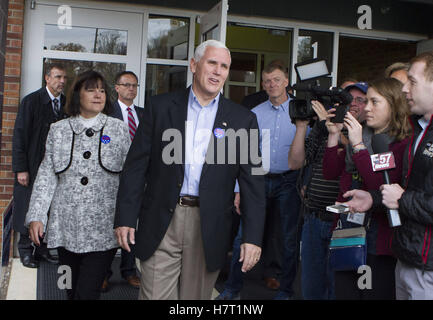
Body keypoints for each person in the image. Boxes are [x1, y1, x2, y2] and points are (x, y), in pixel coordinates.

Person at [114, 40, 266, 300]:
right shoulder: (160, 107)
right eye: (212, 63)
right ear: (194, 65)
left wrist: (253, 237)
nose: (218, 71)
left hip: (209, 224)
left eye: (224, 67)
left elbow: (254, 183)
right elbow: (136, 166)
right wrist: (126, 217)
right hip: (162, 219)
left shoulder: (243, 119)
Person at [25, 70, 131, 300]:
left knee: (87, 292)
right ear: (77, 95)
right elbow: (46, 175)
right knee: (69, 288)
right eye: (91, 89)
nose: (98, 95)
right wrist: (37, 215)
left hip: (102, 230)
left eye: (102, 90)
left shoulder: (119, 130)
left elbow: (131, 177)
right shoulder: (59, 130)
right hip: (65, 228)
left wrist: (129, 219)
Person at [340, 52, 433, 300]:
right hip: (407, 254)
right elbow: (393, 189)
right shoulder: (419, 130)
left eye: (412, 81)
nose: (404, 88)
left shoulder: (406, 136)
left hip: (425, 263)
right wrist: (374, 198)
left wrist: (400, 199)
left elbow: (399, 192)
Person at [217, 62, 304, 300]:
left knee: (287, 239)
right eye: (267, 80)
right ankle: (232, 289)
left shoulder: (301, 112)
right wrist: (238, 189)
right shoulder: (254, 113)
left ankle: (286, 290)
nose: (271, 85)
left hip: (290, 181)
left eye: (276, 79)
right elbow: (243, 155)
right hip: (257, 181)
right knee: (243, 237)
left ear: (286, 81)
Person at [323, 77, 411, 299]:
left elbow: (380, 188)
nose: (366, 108)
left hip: (378, 240)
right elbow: (331, 173)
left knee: (371, 293)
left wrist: (359, 145)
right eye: (366, 101)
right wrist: (334, 135)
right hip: (348, 231)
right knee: (344, 293)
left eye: (374, 102)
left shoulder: (400, 144)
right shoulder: (363, 135)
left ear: (394, 105)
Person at [12, 63, 67, 268]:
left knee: (49, 209)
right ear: (47, 78)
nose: (61, 81)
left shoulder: (65, 104)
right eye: (58, 77)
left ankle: (43, 250)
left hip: (55, 168)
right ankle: (25, 250)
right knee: (28, 208)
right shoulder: (32, 101)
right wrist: (21, 168)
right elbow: (19, 136)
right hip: (32, 167)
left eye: (64, 78)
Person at [287, 100, 340, 300]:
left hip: (341, 223)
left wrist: (334, 129)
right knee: (311, 288)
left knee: (337, 287)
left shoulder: (364, 132)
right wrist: (301, 127)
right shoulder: (320, 128)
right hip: (313, 218)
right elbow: (294, 162)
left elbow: (357, 150)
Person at [103, 71, 143, 291]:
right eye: (126, 85)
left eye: (134, 85)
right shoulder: (107, 113)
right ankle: (104, 273)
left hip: (137, 180)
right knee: (110, 225)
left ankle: (129, 271)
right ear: (116, 87)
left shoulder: (144, 114)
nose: (131, 89)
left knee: (132, 226)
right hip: (113, 177)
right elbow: (104, 141)